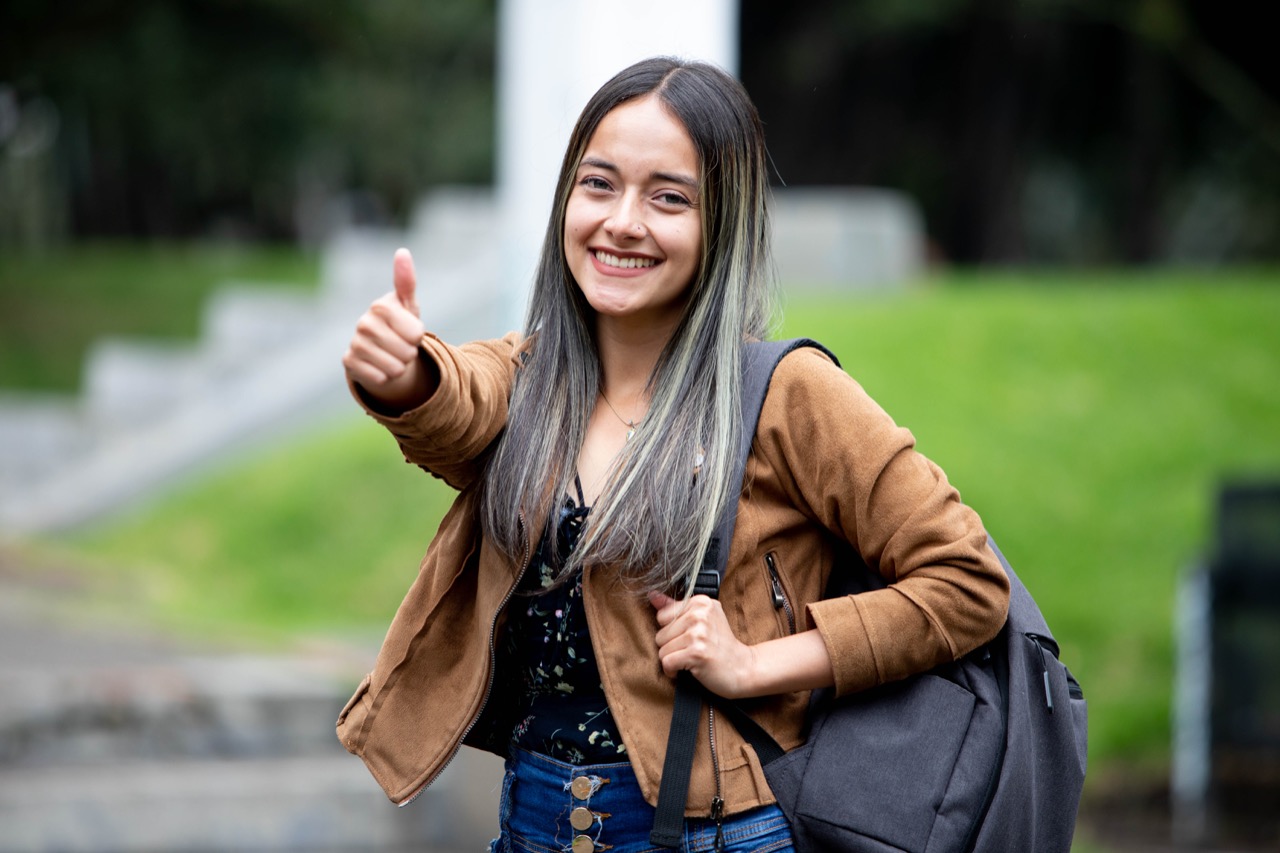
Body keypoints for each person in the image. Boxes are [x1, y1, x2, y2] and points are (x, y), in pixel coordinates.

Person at [338, 57, 1010, 853]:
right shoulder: (531, 380)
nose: (623, 221)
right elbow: (459, 401)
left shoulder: (787, 393)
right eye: (598, 184)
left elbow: (966, 581)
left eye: (668, 197)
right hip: (530, 824)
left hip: (719, 832)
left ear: (720, 223)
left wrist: (755, 661)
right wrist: (408, 371)